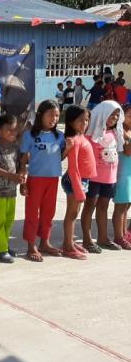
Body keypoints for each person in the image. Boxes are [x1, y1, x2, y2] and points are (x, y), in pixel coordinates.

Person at [19, 100, 70, 262]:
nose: (54, 118)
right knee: (33, 213)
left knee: (49, 212)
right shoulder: (29, 135)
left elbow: (59, 158)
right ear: (40, 115)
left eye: (56, 115)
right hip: (35, 179)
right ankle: (31, 245)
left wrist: (67, 149)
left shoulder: (59, 136)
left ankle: (45, 242)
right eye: (50, 115)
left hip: (53, 179)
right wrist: (23, 181)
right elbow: (23, 160)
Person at [80, 100, 123, 254]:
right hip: (93, 178)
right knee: (90, 206)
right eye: (111, 114)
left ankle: (103, 238)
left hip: (109, 177)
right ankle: (87, 239)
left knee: (103, 207)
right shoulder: (90, 133)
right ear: (102, 113)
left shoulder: (115, 132)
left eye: (117, 115)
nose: (115, 117)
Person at [0, 114, 25, 263]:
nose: (13, 133)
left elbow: (21, 165)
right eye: (9, 130)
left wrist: (21, 179)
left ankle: (5, 246)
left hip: (11, 191)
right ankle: (0, 250)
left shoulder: (16, 147)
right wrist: (10, 176)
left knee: (9, 220)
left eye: (15, 130)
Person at [61, 105, 94, 259]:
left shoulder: (82, 137)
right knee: (71, 214)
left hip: (82, 181)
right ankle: (68, 247)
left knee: (75, 213)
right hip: (75, 181)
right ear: (71, 122)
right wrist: (79, 189)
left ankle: (70, 242)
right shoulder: (73, 140)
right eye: (81, 120)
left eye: (87, 120)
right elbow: (73, 168)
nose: (85, 123)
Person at [111, 104, 131, 250]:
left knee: (126, 205)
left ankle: (124, 234)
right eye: (129, 116)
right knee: (121, 204)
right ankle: (118, 237)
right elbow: (127, 151)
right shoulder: (119, 131)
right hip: (122, 171)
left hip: (129, 171)